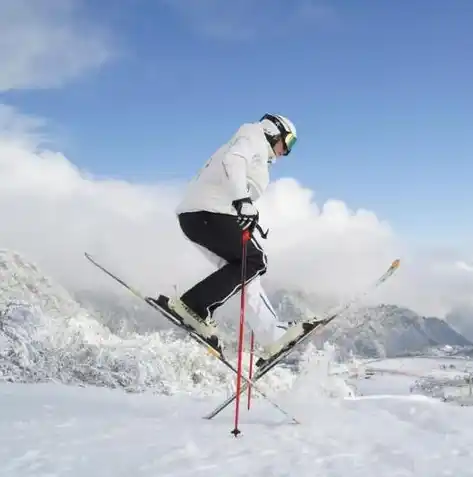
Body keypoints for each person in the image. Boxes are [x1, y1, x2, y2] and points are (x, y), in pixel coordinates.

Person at [149, 113, 307, 364]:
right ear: (274, 130)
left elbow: (235, 177)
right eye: (288, 142)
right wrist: (241, 201)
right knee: (255, 260)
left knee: (244, 270)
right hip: (207, 213)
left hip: (200, 216)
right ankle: (194, 306)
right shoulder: (252, 135)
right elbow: (234, 162)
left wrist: (243, 212)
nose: (286, 151)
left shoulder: (255, 149)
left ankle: (271, 335)